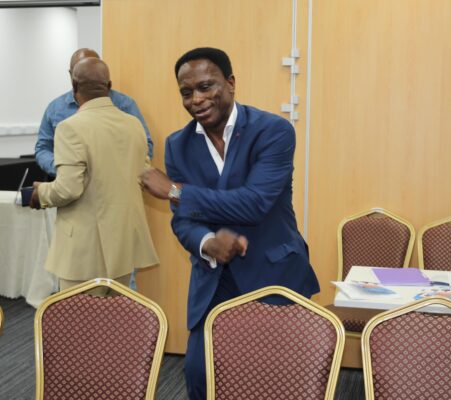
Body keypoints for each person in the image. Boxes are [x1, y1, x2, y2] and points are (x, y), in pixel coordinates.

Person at [140, 47, 320, 400]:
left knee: (275, 380)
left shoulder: (273, 131)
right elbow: (183, 222)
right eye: (186, 92)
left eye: (206, 86)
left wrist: (175, 191)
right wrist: (207, 242)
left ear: (231, 83)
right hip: (214, 281)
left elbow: (254, 203)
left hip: (274, 275)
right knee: (200, 374)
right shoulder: (177, 145)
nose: (196, 99)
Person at [30, 57, 158, 291]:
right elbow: (144, 177)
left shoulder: (70, 127)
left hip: (84, 251)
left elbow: (67, 190)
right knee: (117, 312)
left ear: (74, 86)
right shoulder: (134, 125)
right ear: (109, 86)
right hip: (124, 244)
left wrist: (40, 193)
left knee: (78, 314)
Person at [35, 48, 154, 178]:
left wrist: (115, 169)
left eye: (93, 69)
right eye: (81, 70)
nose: (89, 74)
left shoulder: (125, 105)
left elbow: (145, 145)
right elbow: (43, 148)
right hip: (68, 183)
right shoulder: (55, 108)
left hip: (115, 181)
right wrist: (64, 169)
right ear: (71, 75)